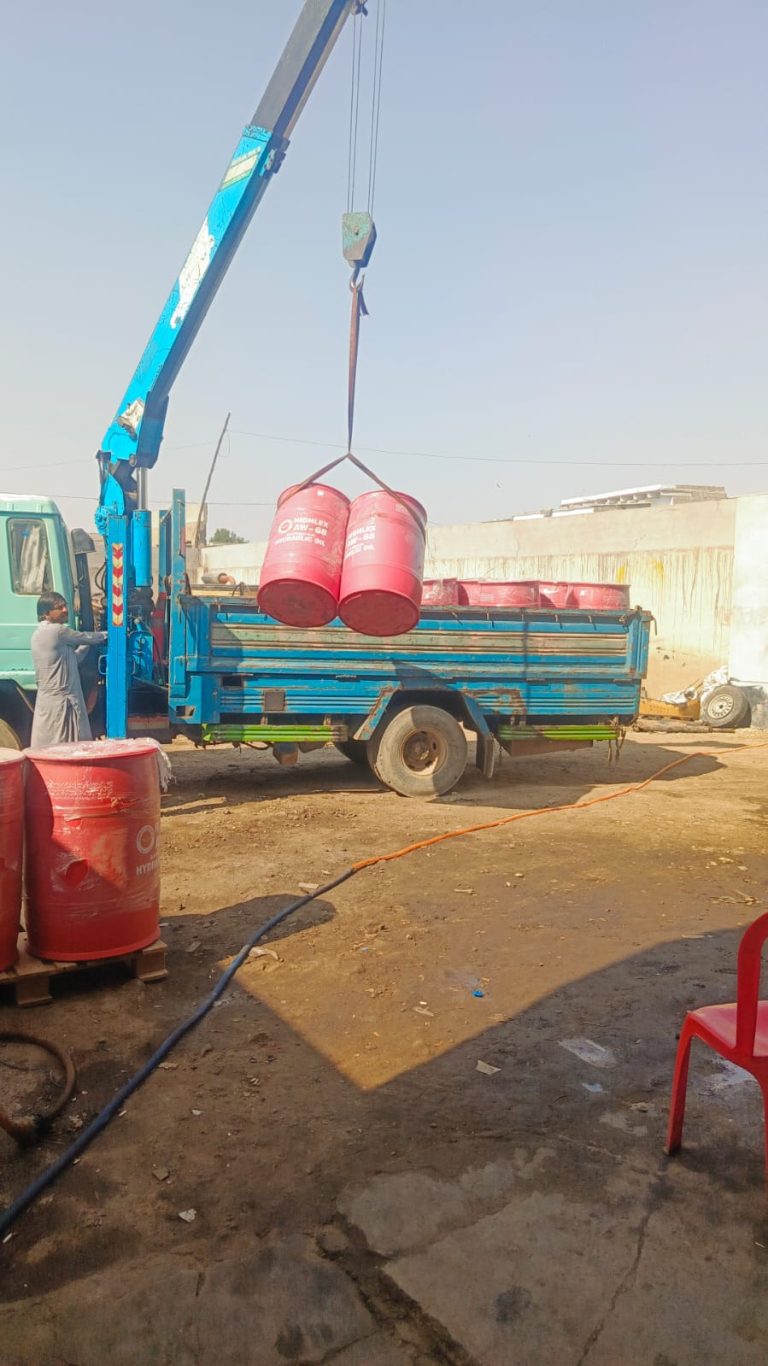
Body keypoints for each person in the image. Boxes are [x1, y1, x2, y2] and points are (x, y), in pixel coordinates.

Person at [30, 592, 107, 748]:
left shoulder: (38, 634)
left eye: (65, 606)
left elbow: (73, 659)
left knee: (50, 742)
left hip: (49, 702)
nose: (65, 610)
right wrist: (108, 634)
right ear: (46, 613)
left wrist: (86, 645)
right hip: (62, 700)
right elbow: (85, 637)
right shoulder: (58, 631)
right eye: (59, 608)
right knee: (65, 742)